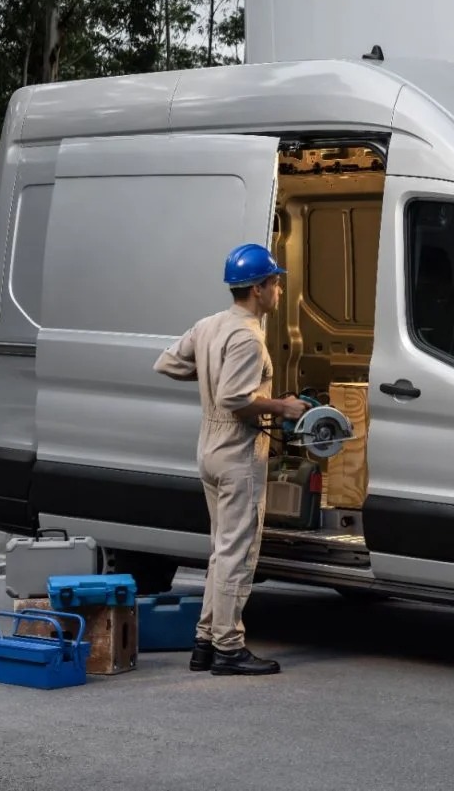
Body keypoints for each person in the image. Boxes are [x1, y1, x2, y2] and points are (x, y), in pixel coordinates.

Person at [153, 243, 308, 676]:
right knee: (238, 553)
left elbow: (168, 362)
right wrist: (284, 406)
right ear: (258, 289)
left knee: (221, 551)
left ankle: (205, 641)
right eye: (275, 284)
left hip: (208, 446)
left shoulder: (210, 325)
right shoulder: (246, 337)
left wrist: (209, 369)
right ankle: (229, 648)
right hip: (237, 450)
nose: (278, 291)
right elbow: (235, 399)